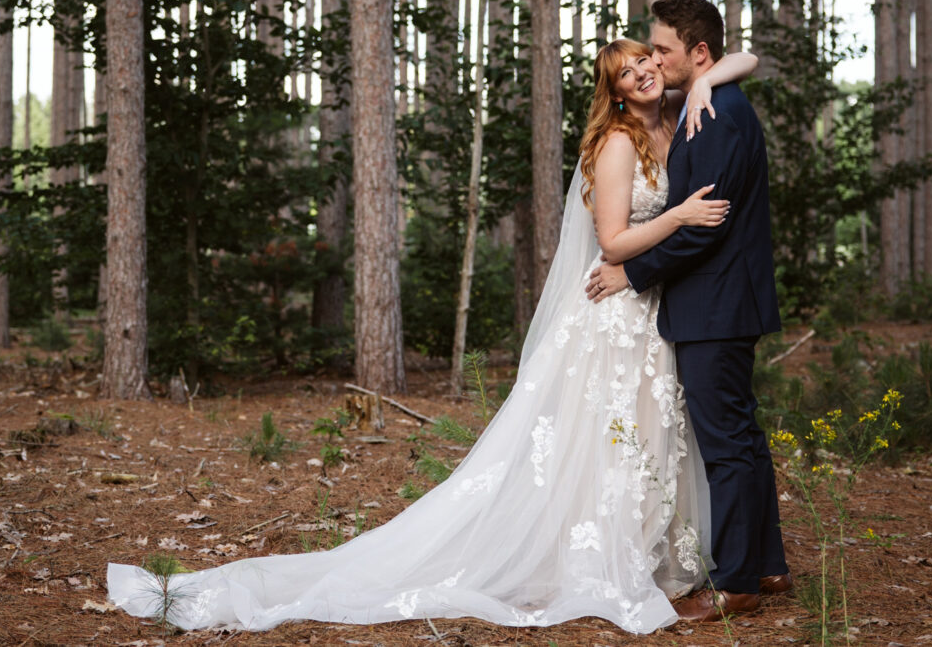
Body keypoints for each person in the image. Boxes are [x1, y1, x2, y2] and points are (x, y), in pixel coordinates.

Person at [106, 34, 759, 633]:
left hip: (650, 310)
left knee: (652, 430)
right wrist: (676, 214)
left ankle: (647, 547)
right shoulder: (617, 142)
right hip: (615, 311)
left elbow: (745, 59)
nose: (644, 70)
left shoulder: (675, 113)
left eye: (649, 59)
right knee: (605, 436)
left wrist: (702, 82)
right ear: (614, 91)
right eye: (627, 70)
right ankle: (598, 552)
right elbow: (614, 240)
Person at [585, 0, 793, 622]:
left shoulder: (711, 116)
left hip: (716, 305)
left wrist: (632, 274)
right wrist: (709, 77)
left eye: (664, 51)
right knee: (744, 437)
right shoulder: (705, 100)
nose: (654, 61)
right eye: (643, 56)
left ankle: (736, 584)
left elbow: (704, 228)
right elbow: (742, 59)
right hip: (723, 301)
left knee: (727, 444)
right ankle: (767, 564)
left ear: (698, 53)